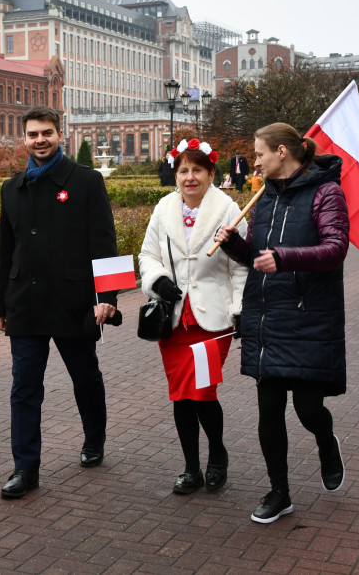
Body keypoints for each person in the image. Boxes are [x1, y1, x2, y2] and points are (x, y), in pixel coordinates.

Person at [213, 122, 349, 524]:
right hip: (267, 316)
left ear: (282, 153)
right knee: (269, 409)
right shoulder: (264, 198)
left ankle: (326, 441)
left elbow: (335, 248)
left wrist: (285, 257)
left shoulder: (327, 192)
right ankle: (279, 492)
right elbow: (259, 255)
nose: (254, 161)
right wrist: (235, 244)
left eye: (259, 154)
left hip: (308, 317)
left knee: (309, 410)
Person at [0, 105, 118, 499]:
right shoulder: (11, 188)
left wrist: (107, 297)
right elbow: (5, 250)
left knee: (85, 377)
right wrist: (0, 305)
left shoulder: (86, 181)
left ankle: (94, 437)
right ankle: (25, 469)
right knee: (24, 388)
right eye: (33, 134)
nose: (40, 140)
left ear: (59, 134)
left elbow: (105, 242)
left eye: (47, 132)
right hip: (25, 304)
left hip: (74, 301)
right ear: (24, 139)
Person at [138, 139, 247, 496]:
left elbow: (241, 266)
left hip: (212, 320)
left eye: (197, 169)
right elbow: (148, 255)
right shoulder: (163, 208)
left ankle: (217, 455)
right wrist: (157, 281)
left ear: (211, 173)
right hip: (173, 321)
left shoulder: (228, 208)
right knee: (181, 395)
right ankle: (190, 467)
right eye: (183, 170)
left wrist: (241, 308)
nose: (189, 177)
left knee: (202, 391)